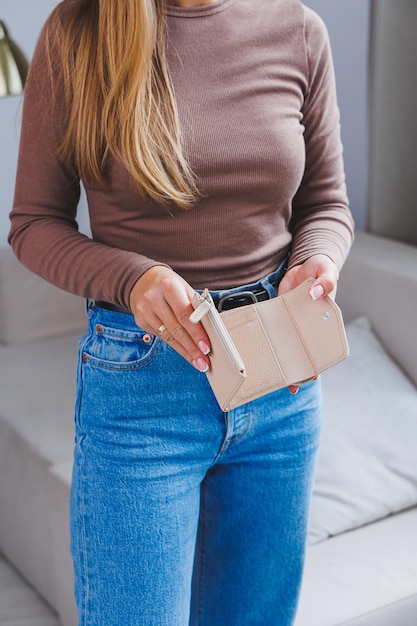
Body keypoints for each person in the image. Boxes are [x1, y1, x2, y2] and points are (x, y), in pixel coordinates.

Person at [9, 0, 354, 624]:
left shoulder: (298, 29)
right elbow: (33, 226)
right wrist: (131, 278)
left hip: (281, 384)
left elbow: (326, 202)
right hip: (143, 393)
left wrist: (316, 260)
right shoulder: (78, 33)